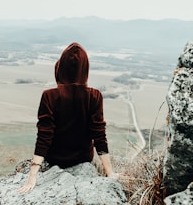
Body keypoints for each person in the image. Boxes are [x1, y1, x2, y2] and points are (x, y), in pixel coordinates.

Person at [18, 42, 118, 193]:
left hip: (55, 159)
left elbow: (44, 135)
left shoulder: (49, 96)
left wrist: (33, 175)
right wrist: (110, 173)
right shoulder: (95, 96)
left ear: (61, 67)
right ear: (85, 69)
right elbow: (99, 135)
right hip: (83, 158)